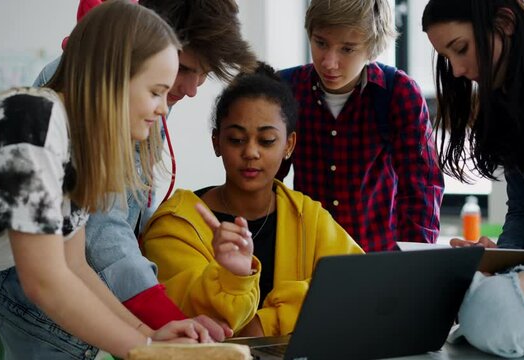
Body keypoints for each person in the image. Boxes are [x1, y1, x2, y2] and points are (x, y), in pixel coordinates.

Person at [0, 2, 213, 360]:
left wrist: (149, 333)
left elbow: (74, 267)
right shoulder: (33, 121)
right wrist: (148, 349)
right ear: (114, 76)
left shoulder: (78, 145)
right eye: (156, 91)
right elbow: (45, 281)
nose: (162, 109)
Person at [0, 0, 257, 358]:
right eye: (185, 70)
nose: (190, 91)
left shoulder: (118, 108)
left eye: (204, 74)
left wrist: (153, 333)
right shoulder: (42, 123)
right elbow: (91, 247)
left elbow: (77, 260)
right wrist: (153, 340)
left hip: (41, 299)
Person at [142, 63, 365, 338]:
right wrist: (233, 277)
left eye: (267, 140)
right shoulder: (176, 224)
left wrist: (265, 322)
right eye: (236, 139)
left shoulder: (307, 216)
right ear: (216, 142)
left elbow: (358, 285)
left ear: (289, 145)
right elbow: (187, 318)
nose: (250, 152)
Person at [422, 0, 524, 357]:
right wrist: (499, 260)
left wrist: (523, 276)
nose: (455, 70)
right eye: (447, 57)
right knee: (464, 294)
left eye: (461, 49)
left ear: (504, 23)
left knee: (494, 310)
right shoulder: (509, 99)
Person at [276, 0, 444, 252]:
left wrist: (412, 265)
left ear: (372, 49)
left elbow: (421, 188)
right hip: (304, 254)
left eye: (347, 49)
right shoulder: (285, 89)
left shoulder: (397, 92)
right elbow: (267, 181)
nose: (329, 62)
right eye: (321, 43)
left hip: (377, 257)